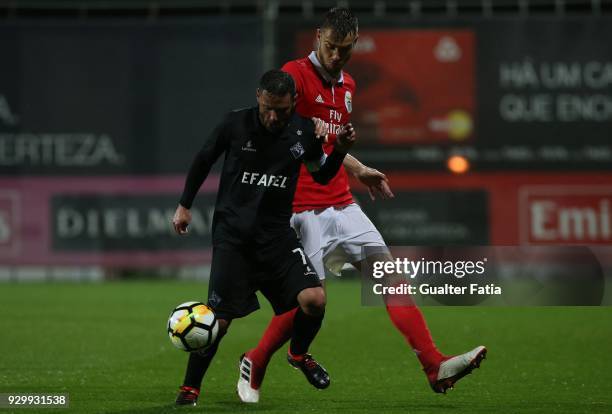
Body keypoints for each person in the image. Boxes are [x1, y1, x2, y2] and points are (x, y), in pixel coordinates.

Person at [237, 8, 486, 403]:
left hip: (342, 203)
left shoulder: (348, 84)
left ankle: (434, 366)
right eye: (331, 47)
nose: (337, 56)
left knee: (391, 276)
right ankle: (256, 358)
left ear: (355, 44)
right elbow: (276, 133)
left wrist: (358, 167)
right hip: (301, 209)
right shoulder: (294, 75)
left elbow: (330, 148)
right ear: (318, 37)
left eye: (345, 49)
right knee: (308, 302)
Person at [171, 69, 356, 406]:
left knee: (315, 300)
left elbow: (322, 176)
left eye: (281, 110)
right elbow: (203, 159)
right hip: (234, 239)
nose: (273, 116)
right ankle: (189, 389)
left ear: (293, 103)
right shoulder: (235, 124)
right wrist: (185, 205)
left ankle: (298, 355)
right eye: (268, 108)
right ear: (258, 98)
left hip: (276, 239)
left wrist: (340, 150)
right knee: (218, 321)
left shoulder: (303, 132)